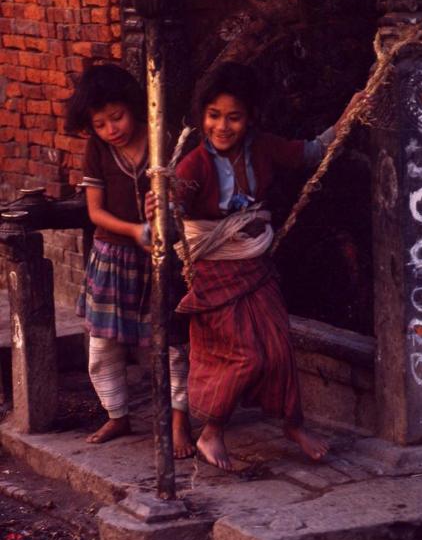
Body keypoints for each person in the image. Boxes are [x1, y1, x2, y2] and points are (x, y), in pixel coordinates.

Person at [146, 61, 356, 471]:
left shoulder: (262, 147)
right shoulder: (193, 166)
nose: (222, 126)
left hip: (255, 264)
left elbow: (310, 153)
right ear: (203, 116)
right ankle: (212, 431)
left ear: (250, 119)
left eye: (234, 117)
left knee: (278, 345)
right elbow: (173, 206)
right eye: (214, 116)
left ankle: (293, 424)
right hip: (213, 270)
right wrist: (157, 205)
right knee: (246, 355)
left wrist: (348, 116)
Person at [65, 63, 194, 458]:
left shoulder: (165, 139)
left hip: (165, 260)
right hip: (112, 256)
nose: (111, 130)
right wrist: (135, 230)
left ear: (134, 106)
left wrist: (169, 203)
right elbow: (95, 213)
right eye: (100, 124)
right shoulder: (98, 150)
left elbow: (191, 196)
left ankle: (179, 421)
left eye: (116, 117)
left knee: (174, 344)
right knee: (103, 346)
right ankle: (117, 414)